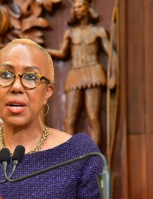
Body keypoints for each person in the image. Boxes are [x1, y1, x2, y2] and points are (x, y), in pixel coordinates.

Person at [0, 38, 103, 199]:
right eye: (6, 75)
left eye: (30, 77)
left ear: (47, 92)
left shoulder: (79, 155)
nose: (17, 87)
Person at [46, 0, 117, 147]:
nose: (78, 9)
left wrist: (113, 76)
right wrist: (43, 50)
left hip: (93, 72)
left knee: (93, 117)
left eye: (80, 6)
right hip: (75, 74)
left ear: (88, 7)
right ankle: (71, 159)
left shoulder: (98, 31)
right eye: (76, 7)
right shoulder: (70, 33)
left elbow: (111, 54)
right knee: (70, 119)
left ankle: (94, 158)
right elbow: (63, 53)